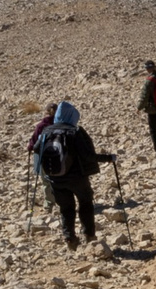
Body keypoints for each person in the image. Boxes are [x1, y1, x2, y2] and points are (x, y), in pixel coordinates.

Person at [29, 101, 102, 251]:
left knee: (66, 208)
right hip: (77, 177)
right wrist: (108, 158)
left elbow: (35, 148)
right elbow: (88, 155)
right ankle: (89, 236)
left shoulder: (47, 131)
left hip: (56, 178)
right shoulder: (75, 131)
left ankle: (70, 239)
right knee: (85, 203)